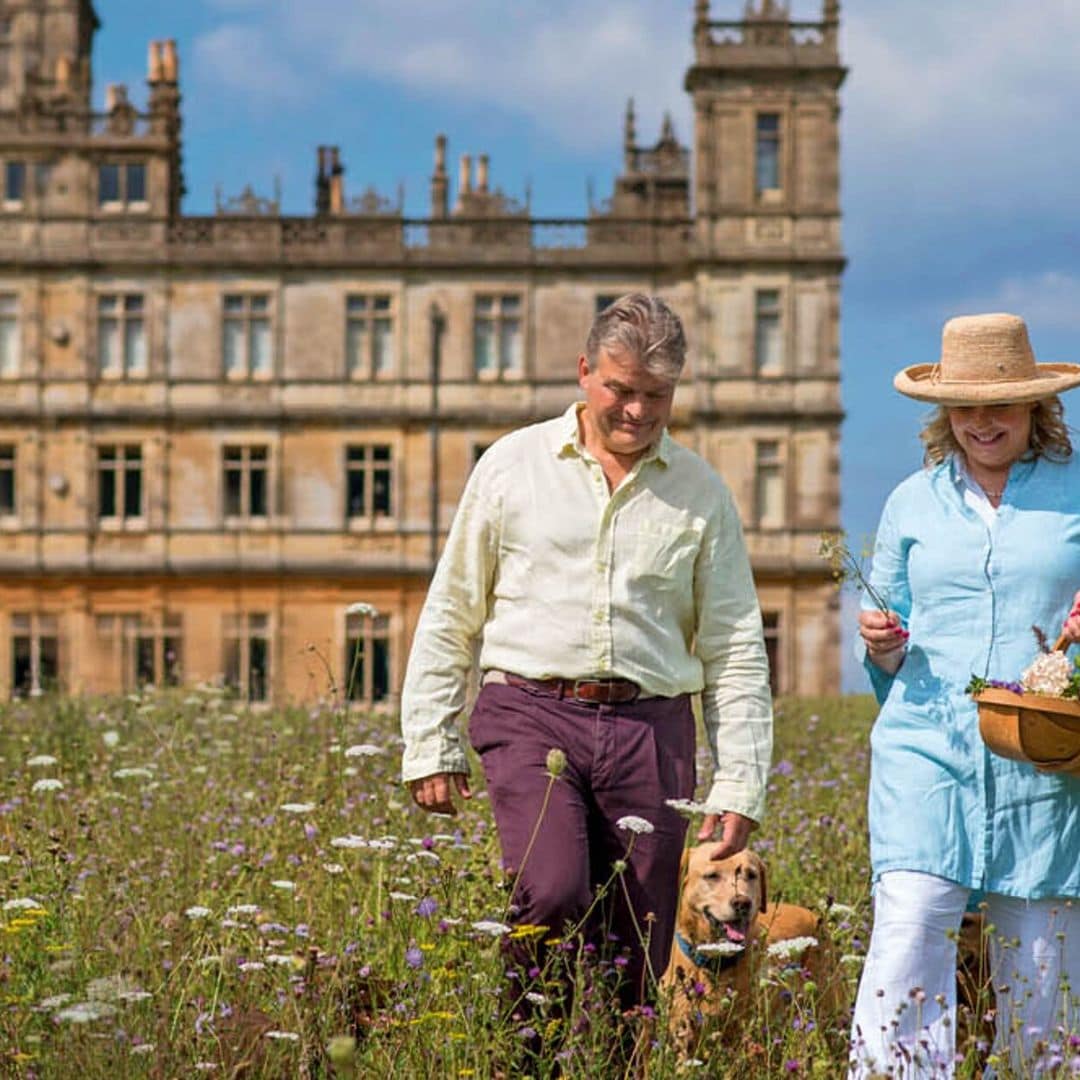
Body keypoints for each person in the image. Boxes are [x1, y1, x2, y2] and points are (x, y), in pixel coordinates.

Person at [400, 293, 773, 1017]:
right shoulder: (511, 467)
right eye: (621, 389)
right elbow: (453, 609)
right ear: (584, 372)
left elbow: (733, 646)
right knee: (554, 888)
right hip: (530, 713)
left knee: (641, 934)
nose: (637, 411)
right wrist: (430, 742)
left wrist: (740, 783)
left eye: (655, 395)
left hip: (652, 729)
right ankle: (527, 1055)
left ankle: (614, 1058)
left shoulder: (701, 493)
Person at [850, 312, 1080, 1078]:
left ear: (1036, 407)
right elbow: (891, 636)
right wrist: (882, 643)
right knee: (908, 935)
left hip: (1045, 769)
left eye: (1002, 405)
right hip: (927, 750)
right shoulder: (911, 504)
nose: (983, 423)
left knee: (1043, 964)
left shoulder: (1076, 494)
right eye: (966, 406)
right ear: (943, 412)